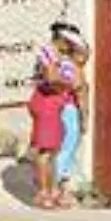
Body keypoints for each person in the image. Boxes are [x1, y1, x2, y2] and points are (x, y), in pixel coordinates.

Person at [27, 34, 73, 210]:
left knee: (53, 149)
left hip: (54, 104)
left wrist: (63, 83)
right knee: (45, 150)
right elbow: (53, 79)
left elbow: (65, 83)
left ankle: (50, 189)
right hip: (46, 103)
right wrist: (64, 83)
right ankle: (43, 193)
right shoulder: (48, 53)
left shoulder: (62, 58)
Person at [49, 23, 90, 203]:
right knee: (66, 150)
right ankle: (56, 191)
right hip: (69, 110)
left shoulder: (58, 62)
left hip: (58, 108)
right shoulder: (73, 66)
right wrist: (84, 117)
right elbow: (80, 92)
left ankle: (62, 189)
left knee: (63, 150)